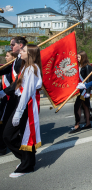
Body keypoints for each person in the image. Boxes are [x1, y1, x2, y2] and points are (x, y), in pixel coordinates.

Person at [3, 45, 42, 178]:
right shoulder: (25, 66)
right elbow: (18, 85)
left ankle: (27, 166)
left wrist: (19, 112)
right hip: (21, 103)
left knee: (21, 136)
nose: (21, 52)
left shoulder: (32, 68)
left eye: (24, 50)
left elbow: (27, 92)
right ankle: (26, 160)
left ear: (30, 54)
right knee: (13, 136)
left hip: (26, 105)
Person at [0, 37, 28, 156]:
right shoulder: (17, 59)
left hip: (21, 98)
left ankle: (26, 157)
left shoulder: (25, 60)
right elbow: (6, 69)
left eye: (12, 44)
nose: (10, 46)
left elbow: (19, 80)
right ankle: (24, 157)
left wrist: (5, 92)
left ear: (20, 45)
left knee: (17, 130)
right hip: (13, 98)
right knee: (7, 128)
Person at [69, 51, 92, 134]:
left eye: (79, 57)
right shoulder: (78, 66)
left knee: (77, 106)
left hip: (85, 90)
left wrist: (88, 92)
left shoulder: (87, 67)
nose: (77, 59)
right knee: (85, 106)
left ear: (83, 57)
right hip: (79, 90)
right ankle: (88, 123)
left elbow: (89, 80)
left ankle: (77, 125)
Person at [0, 51, 18, 156]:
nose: (5, 58)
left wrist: (3, 92)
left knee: (3, 124)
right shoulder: (9, 67)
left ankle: (2, 147)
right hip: (4, 99)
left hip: (9, 98)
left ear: (13, 57)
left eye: (7, 56)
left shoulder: (14, 68)